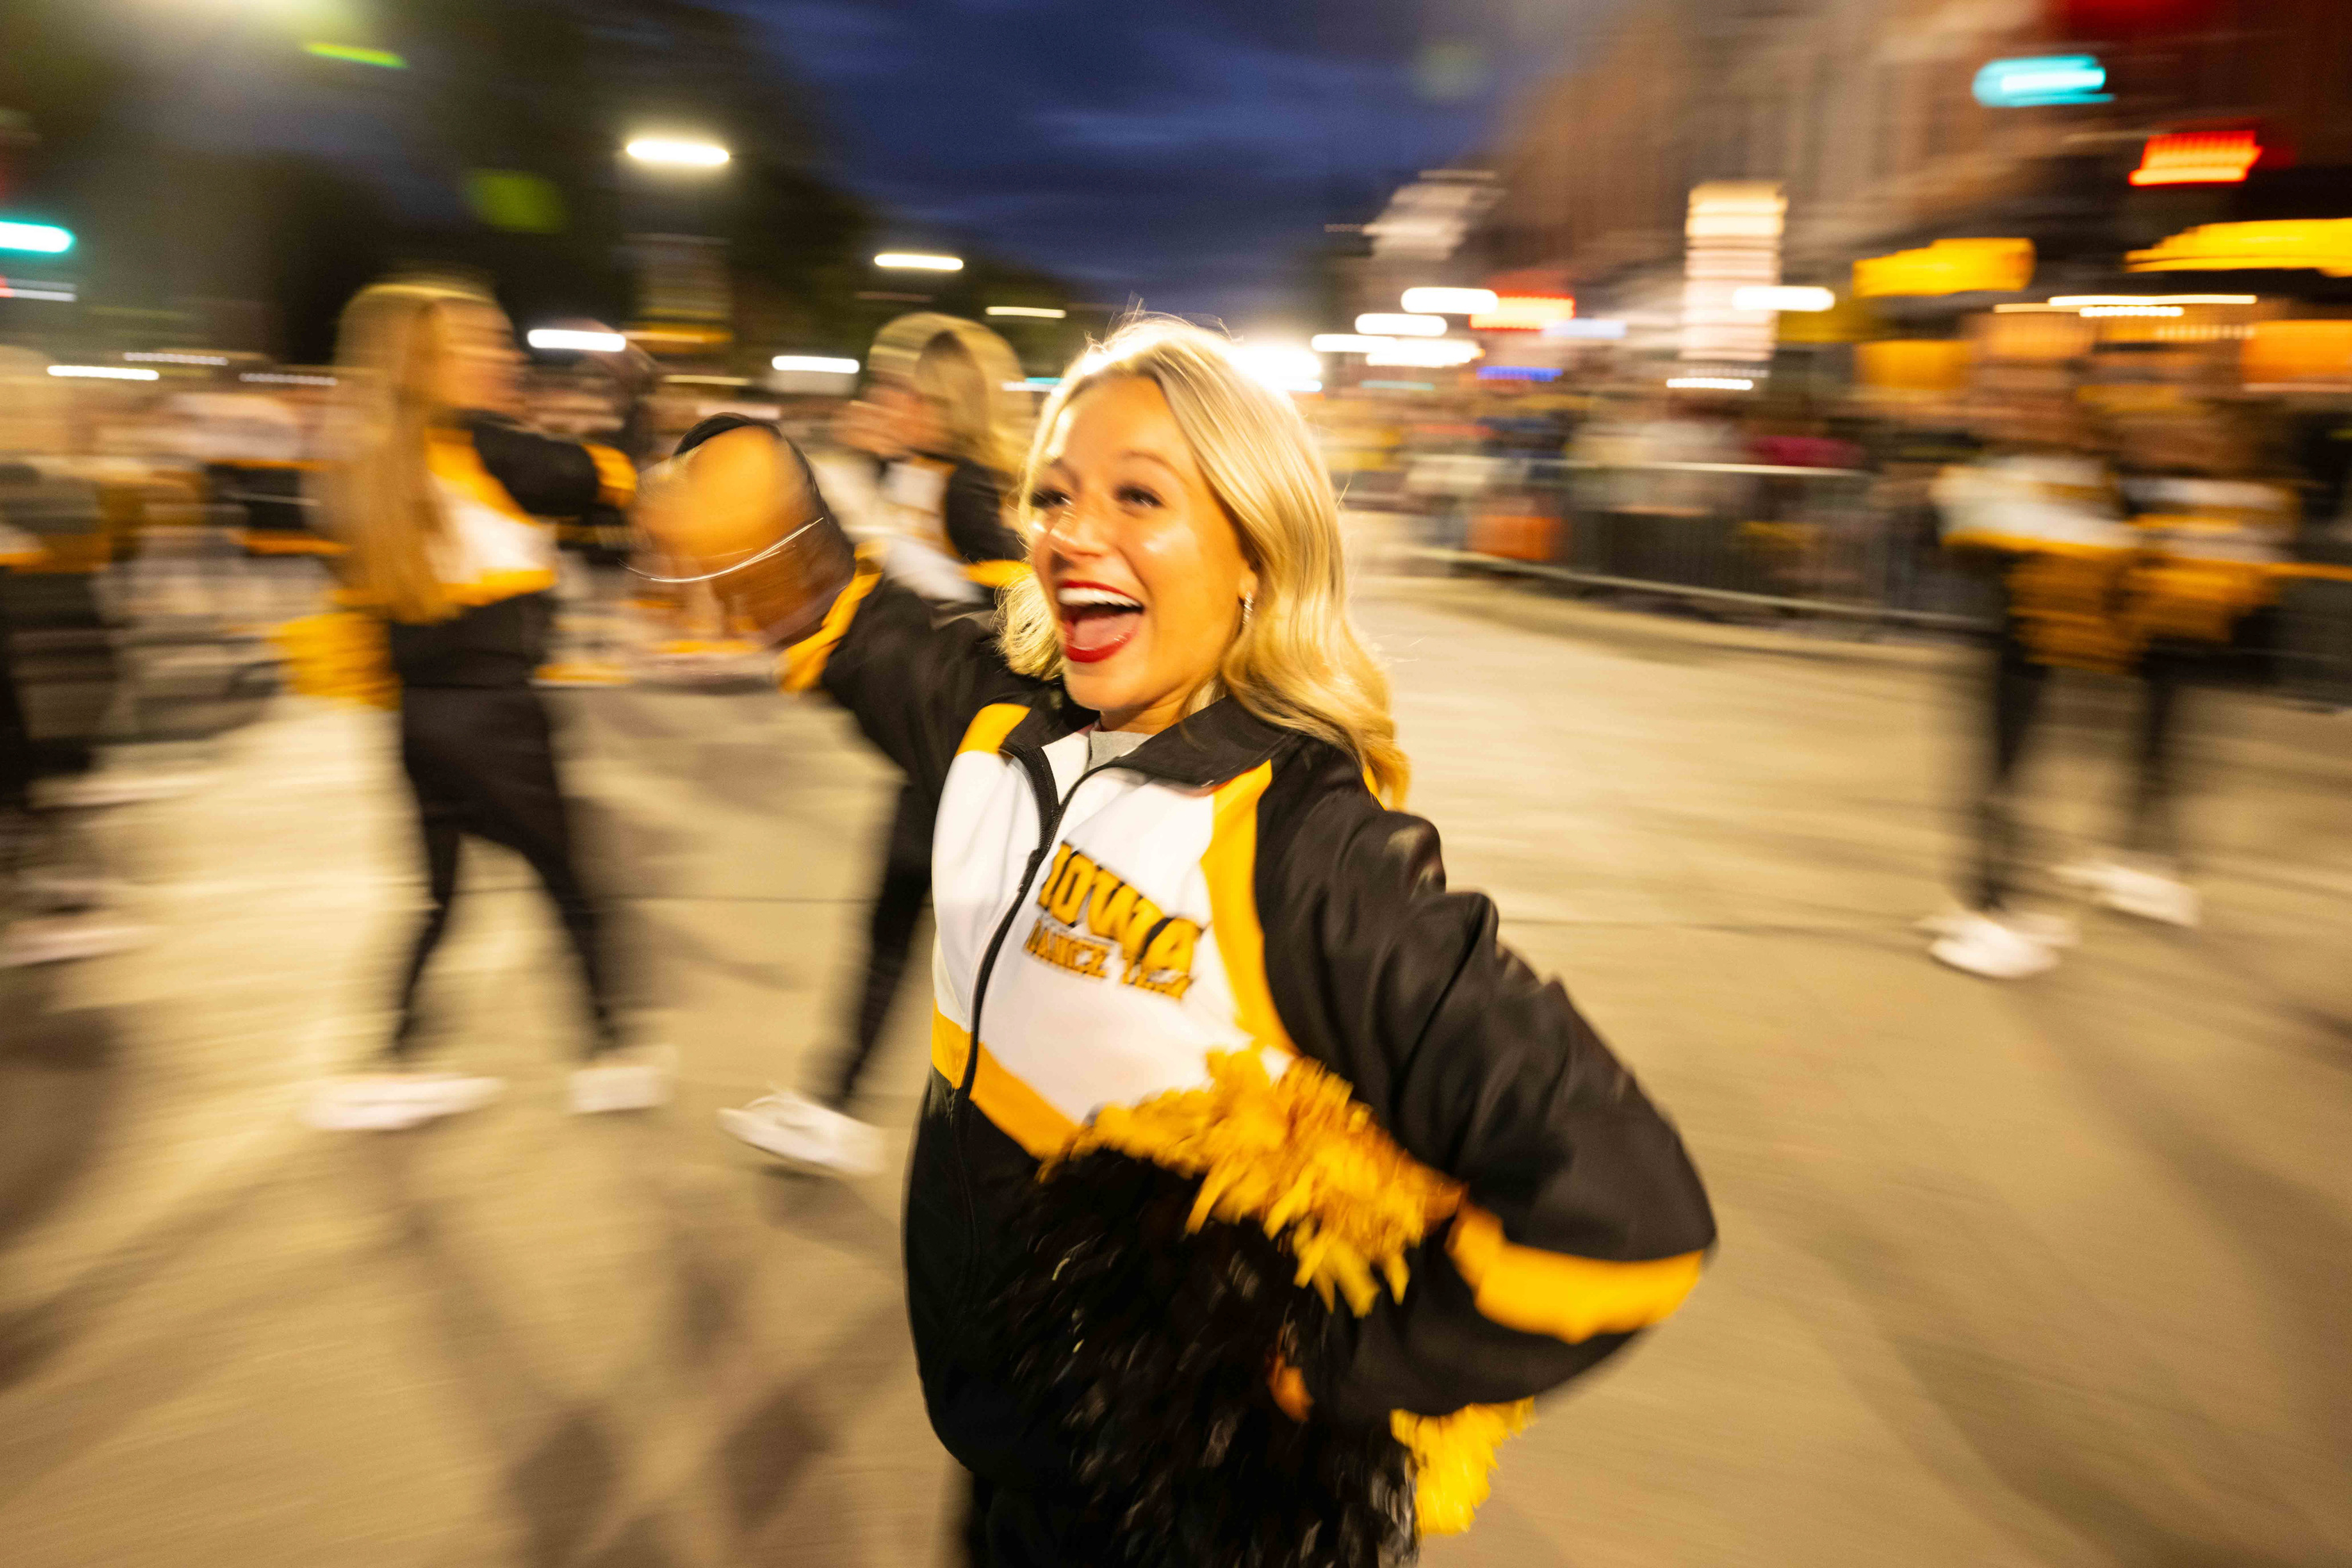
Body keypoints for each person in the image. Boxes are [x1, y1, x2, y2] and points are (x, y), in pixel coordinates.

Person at [641, 319, 1715, 1564]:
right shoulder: (996, 721)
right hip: (1003, 1458)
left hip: (1176, 1519)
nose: (1069, 532)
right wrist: (747, 483)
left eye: (1137, 496)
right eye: (1054, 494)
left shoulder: (1307, 854)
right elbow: (838, 615)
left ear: (1255, 549)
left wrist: (1322, 1371)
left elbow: (1630, 1211)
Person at [299, 278, 667, 1131]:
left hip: (415, 712)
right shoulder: (495, 447)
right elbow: (616, 485)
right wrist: (633, 397)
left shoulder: (368, 456)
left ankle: (390, 1063)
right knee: (570, 878)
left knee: (439, 894)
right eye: (483, 345)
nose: (504, 359)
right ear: (432, 363)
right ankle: (611, 1052)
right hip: (496, 711)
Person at [718, 315, 1028, 1176]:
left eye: (901, 391)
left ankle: (864, 1111)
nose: (881, 401)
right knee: (899, 926)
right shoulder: (917, 473)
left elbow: (1027, 623)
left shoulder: (970, 489)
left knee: (959, 941)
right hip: (937, 756)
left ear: (945, 404)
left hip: (977, 757)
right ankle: (835, 1108)